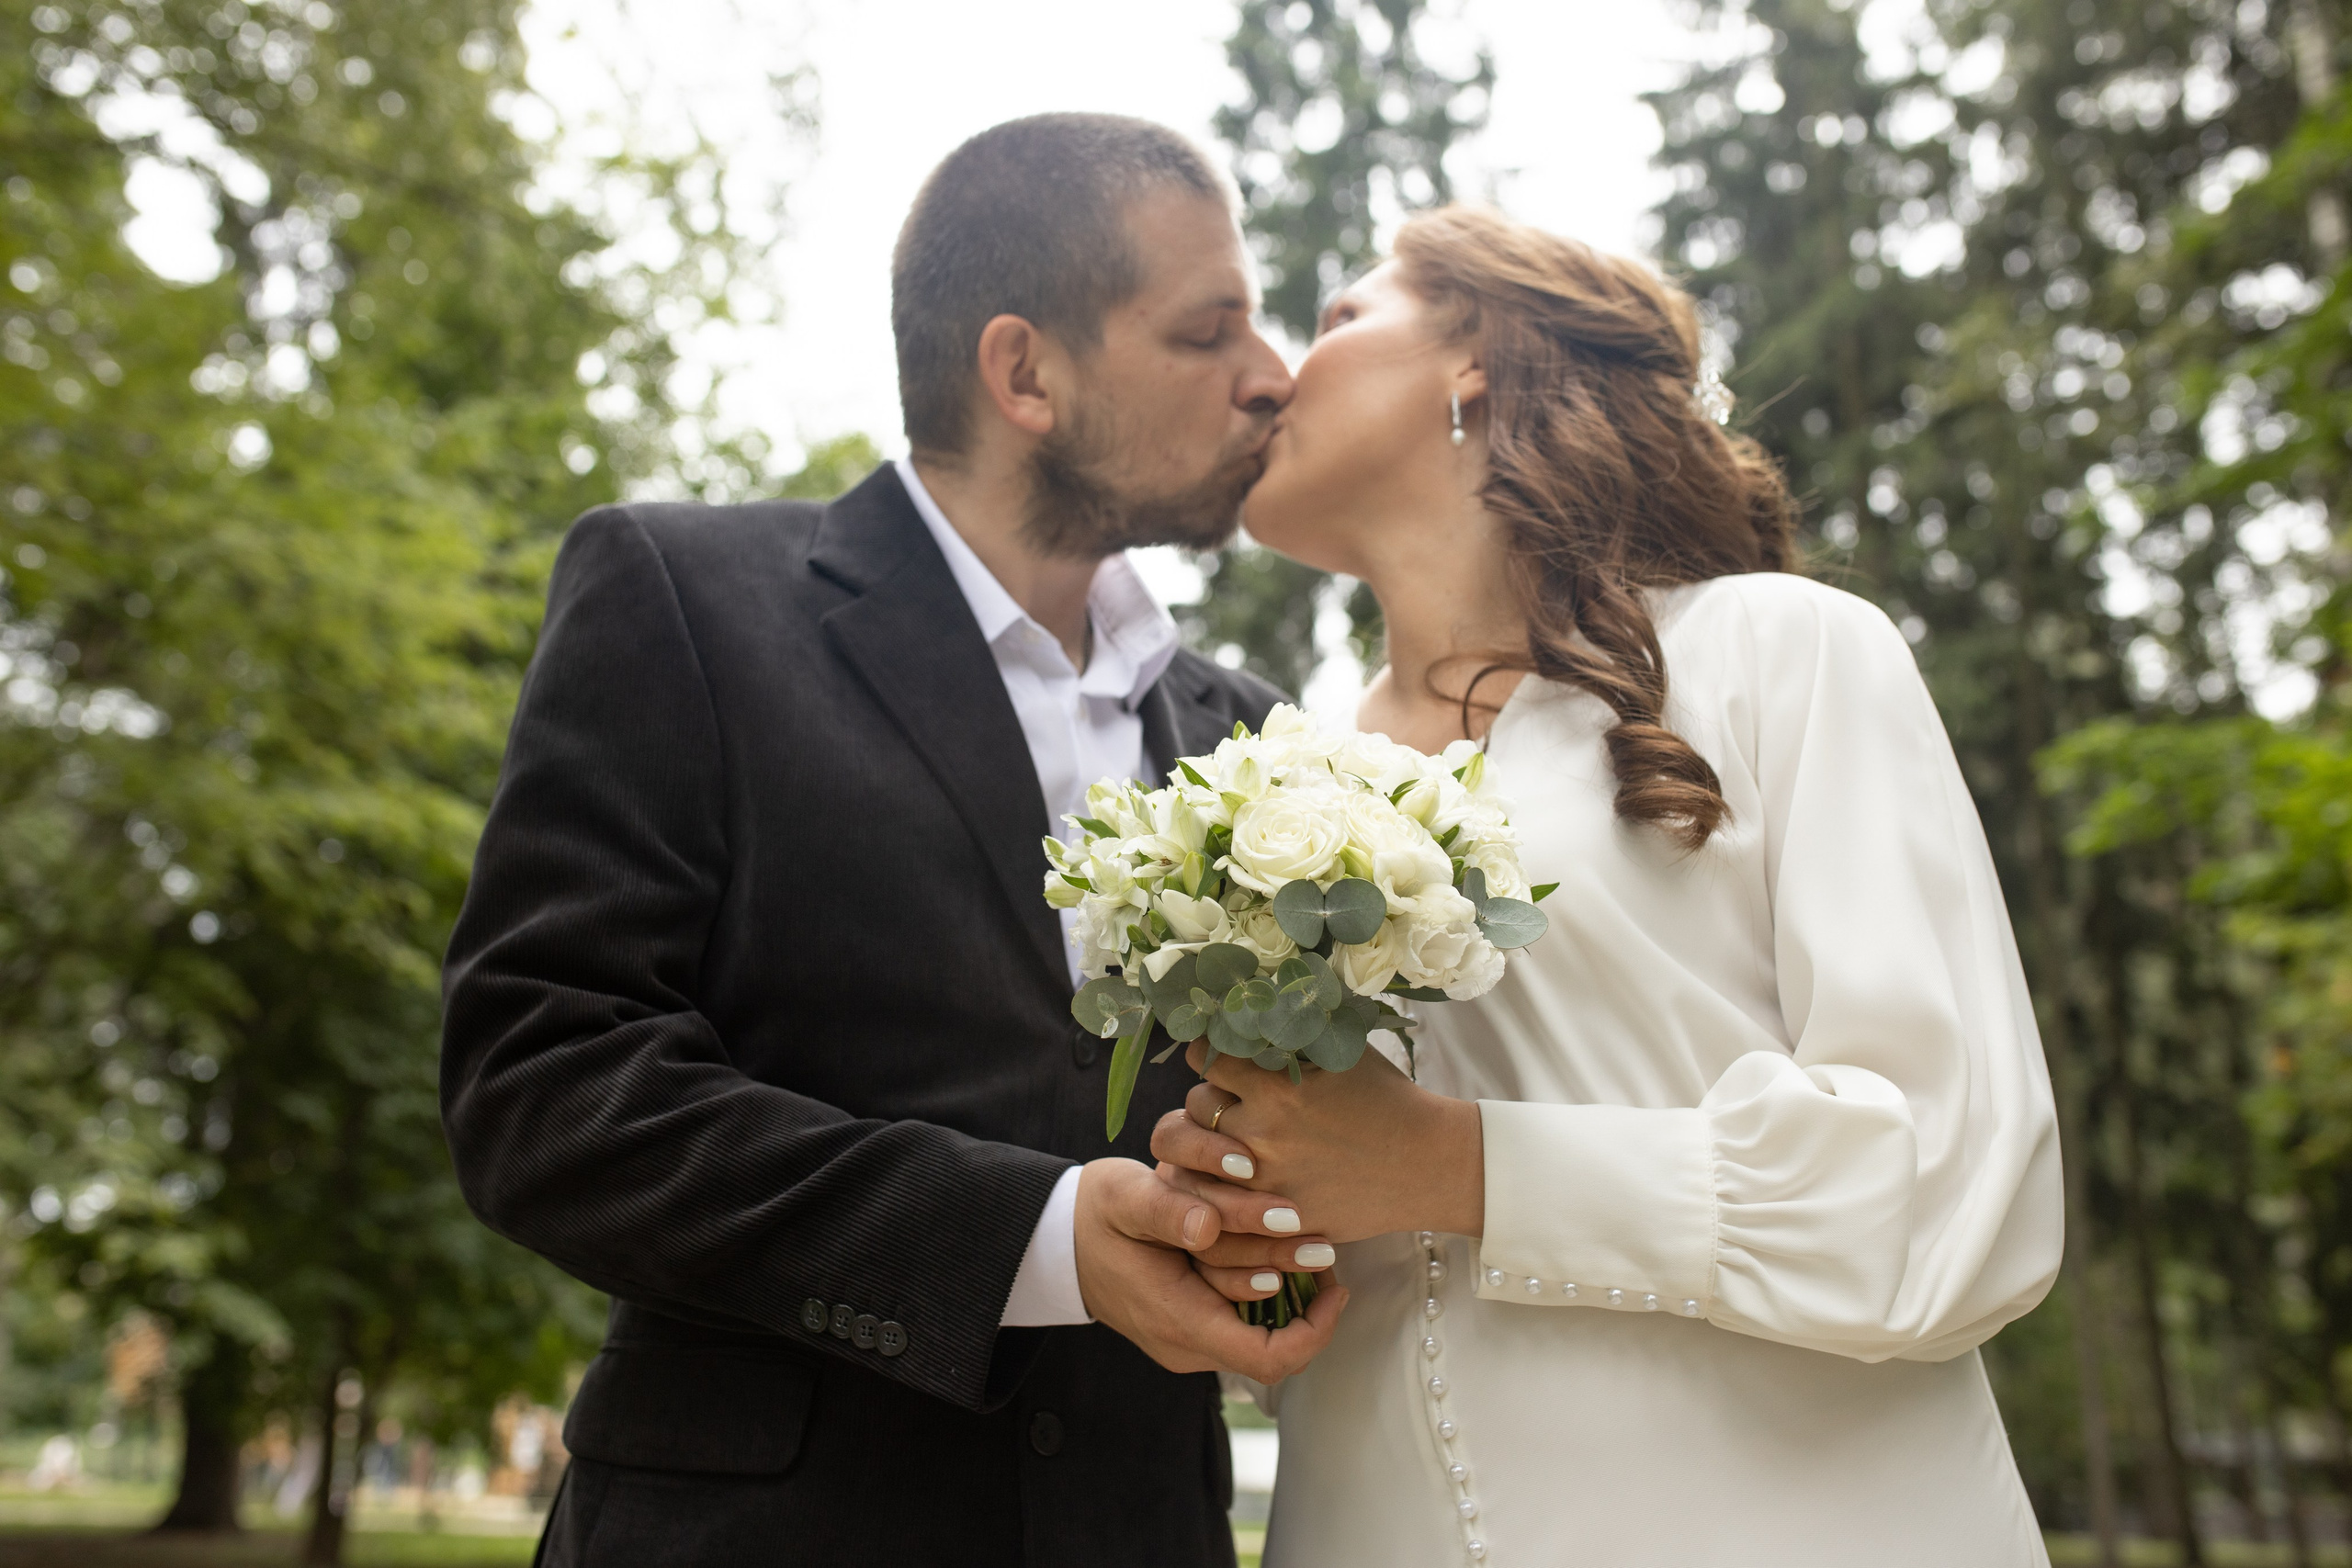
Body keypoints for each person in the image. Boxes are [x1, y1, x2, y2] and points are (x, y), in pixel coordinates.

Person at [439, 114, 1347, 1568]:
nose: (1272, 374)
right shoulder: (683, 598)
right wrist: (1031, 1239)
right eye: (1208, 330)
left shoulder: (1259, 740)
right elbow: (542, 1092)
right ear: (1023, 372)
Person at [1149, 206, 2064, 1565]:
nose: (1276, 372)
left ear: (1479, 360)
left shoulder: (1779, 652)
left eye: (1339, 317)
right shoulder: (1272, 788)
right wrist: (1244, 1211)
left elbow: (1950, 1194)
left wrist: (1457, 1165)